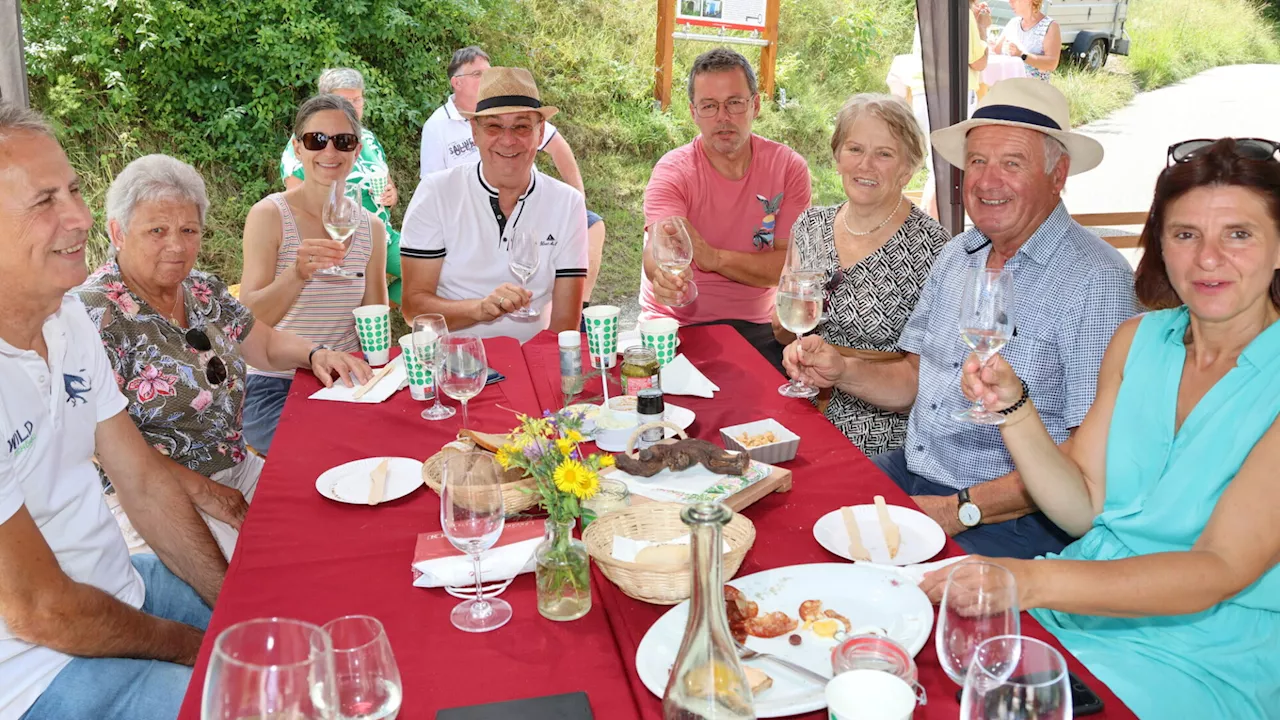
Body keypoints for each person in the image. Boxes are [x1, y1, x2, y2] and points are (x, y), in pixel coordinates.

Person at [921, 138, 1280, 717]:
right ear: (1161, 245)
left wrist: (1025, 582)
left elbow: (1217, 570)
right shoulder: (1140, 341)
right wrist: (1015, 409)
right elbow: (1084, 504)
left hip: (1206, 652)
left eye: (1239, 234)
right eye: (1186, 234)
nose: (1208, 258)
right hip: (1079, 607)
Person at [783, 79, 1138, 559]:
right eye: (977, 162)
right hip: (915, 468)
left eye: (1012, 163)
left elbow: (1088, 462)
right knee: (797, 521)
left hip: (1016, 518)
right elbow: (914, 381)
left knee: (882, 589)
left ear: (1058, 175)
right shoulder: (957, 256)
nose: (988, 181)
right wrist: (842, 370)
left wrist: (959, 509)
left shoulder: (1096, 280)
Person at [0, 102, 225, 720]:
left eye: (72, 190)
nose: (78, 217)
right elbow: (40, 610)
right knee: (254, 698)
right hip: (34, 673)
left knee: (288, 621)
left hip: (121, 586)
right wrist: (194, 649)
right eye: (44, 201)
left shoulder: (67, 316)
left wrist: (232, 599)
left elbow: (143, 481)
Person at [77, 154, 370, 559]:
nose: (176, 246)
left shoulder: (200, 289)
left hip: (236, 469)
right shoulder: (91, 315)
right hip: (153, 499)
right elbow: (94, 442)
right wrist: (207, 492)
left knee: (331, 530)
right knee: (259, 577)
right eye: (157, 230)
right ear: (118, 232)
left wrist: (315, 354)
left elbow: (263, 345)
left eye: (188, 229)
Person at [772, 94, 950, 455]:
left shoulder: (935, 248)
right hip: (802, 410)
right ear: (837, 157)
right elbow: (781, 329)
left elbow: (928, 381)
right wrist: (796, 345)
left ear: (908, 168)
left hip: (883, 435)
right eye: (855, 149)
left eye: (884, 154)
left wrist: (840, 366)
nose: (866, 165)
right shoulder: (810, 226)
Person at [642, 48, 811, 372]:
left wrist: (714, 257)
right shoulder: (674, 170)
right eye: (709, 106)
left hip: (759, 327)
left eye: (734, 103)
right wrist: (662, 275)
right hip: (676, 328)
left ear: (755, 105)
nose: (723, 117)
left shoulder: (788, 167)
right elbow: (660, 247)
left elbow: (787, 266)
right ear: (693, 112)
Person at [242, 94, 389, 453]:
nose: (330, 151)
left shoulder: (371, 228)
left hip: (348, 379)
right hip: (277, 384)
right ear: (297, 147)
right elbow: (244, 321)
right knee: (327, 447)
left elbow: (373, 321)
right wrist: (297, 274)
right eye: (316, 140)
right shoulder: (269, 215)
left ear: (356, 150)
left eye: (343, 141)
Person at [400, 67, 587, 343]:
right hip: (453, 361)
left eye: (522, 126)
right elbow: (414, 308)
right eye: (494, 126)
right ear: (474, 132)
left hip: (532, 359)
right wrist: (479, 309)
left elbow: (564, 325)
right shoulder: (436, 193)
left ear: (540, 132)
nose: (508, 139)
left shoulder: (567, 203)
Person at [421, 47, 608, 309]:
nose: (508, 140)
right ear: (457, 82)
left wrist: (578, 199)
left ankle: (580, 311)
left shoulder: (514, 105)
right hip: (470, 211)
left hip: (533, 199)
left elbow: (559, 147)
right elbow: (433, 185)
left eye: (521, 127)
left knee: (593, 225)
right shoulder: (437, 126)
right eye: (478, 74)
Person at [279, 68, 404, 304]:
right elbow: (295, 207)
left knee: (434, 271)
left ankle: (383, 307)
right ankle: (370, 312)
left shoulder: (366, 138)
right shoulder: (307, 143)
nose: (354, 107)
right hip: (337, 242)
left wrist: (391, 194)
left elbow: (388, 183)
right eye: (346, 100)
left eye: (357, 99)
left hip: (383, 236)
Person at [989, 0, 1061, 81]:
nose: (1010, 2)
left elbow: (1052, 64)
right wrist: (983, 25)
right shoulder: (1013, 23)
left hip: (1033, 90)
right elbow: (996, 50)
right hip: (1009, 87)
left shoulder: (1050, 26)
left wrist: (1022, 55)